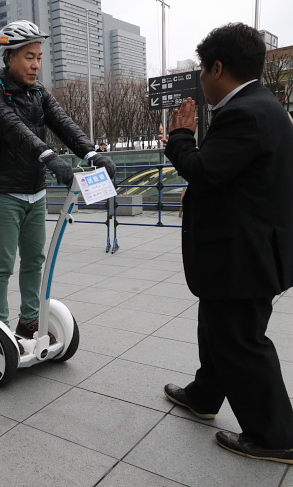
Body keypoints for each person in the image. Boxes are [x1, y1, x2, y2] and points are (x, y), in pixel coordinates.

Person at [160, 23, 293, 463]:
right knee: (217, 327)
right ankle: (204, 395)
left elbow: (205, 171)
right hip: (247, 249)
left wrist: (179, 138)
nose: (200, 78)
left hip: (244, 254)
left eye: (202, 69)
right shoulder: (265, 106)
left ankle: (277, 435)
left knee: (240, 340)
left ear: (218, 67)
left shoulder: (245, 113)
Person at [0, 20, 115, 341]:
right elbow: (13, 128)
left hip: (34, 192)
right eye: (28, 56)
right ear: (9, 57)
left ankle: (28, 321)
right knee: (3, 262)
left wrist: (92, 154)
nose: (36, 64)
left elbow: (64, 123)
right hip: (4, 191)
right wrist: (49, 157)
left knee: (35, 260)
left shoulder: (39, 93)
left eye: (39, 57)